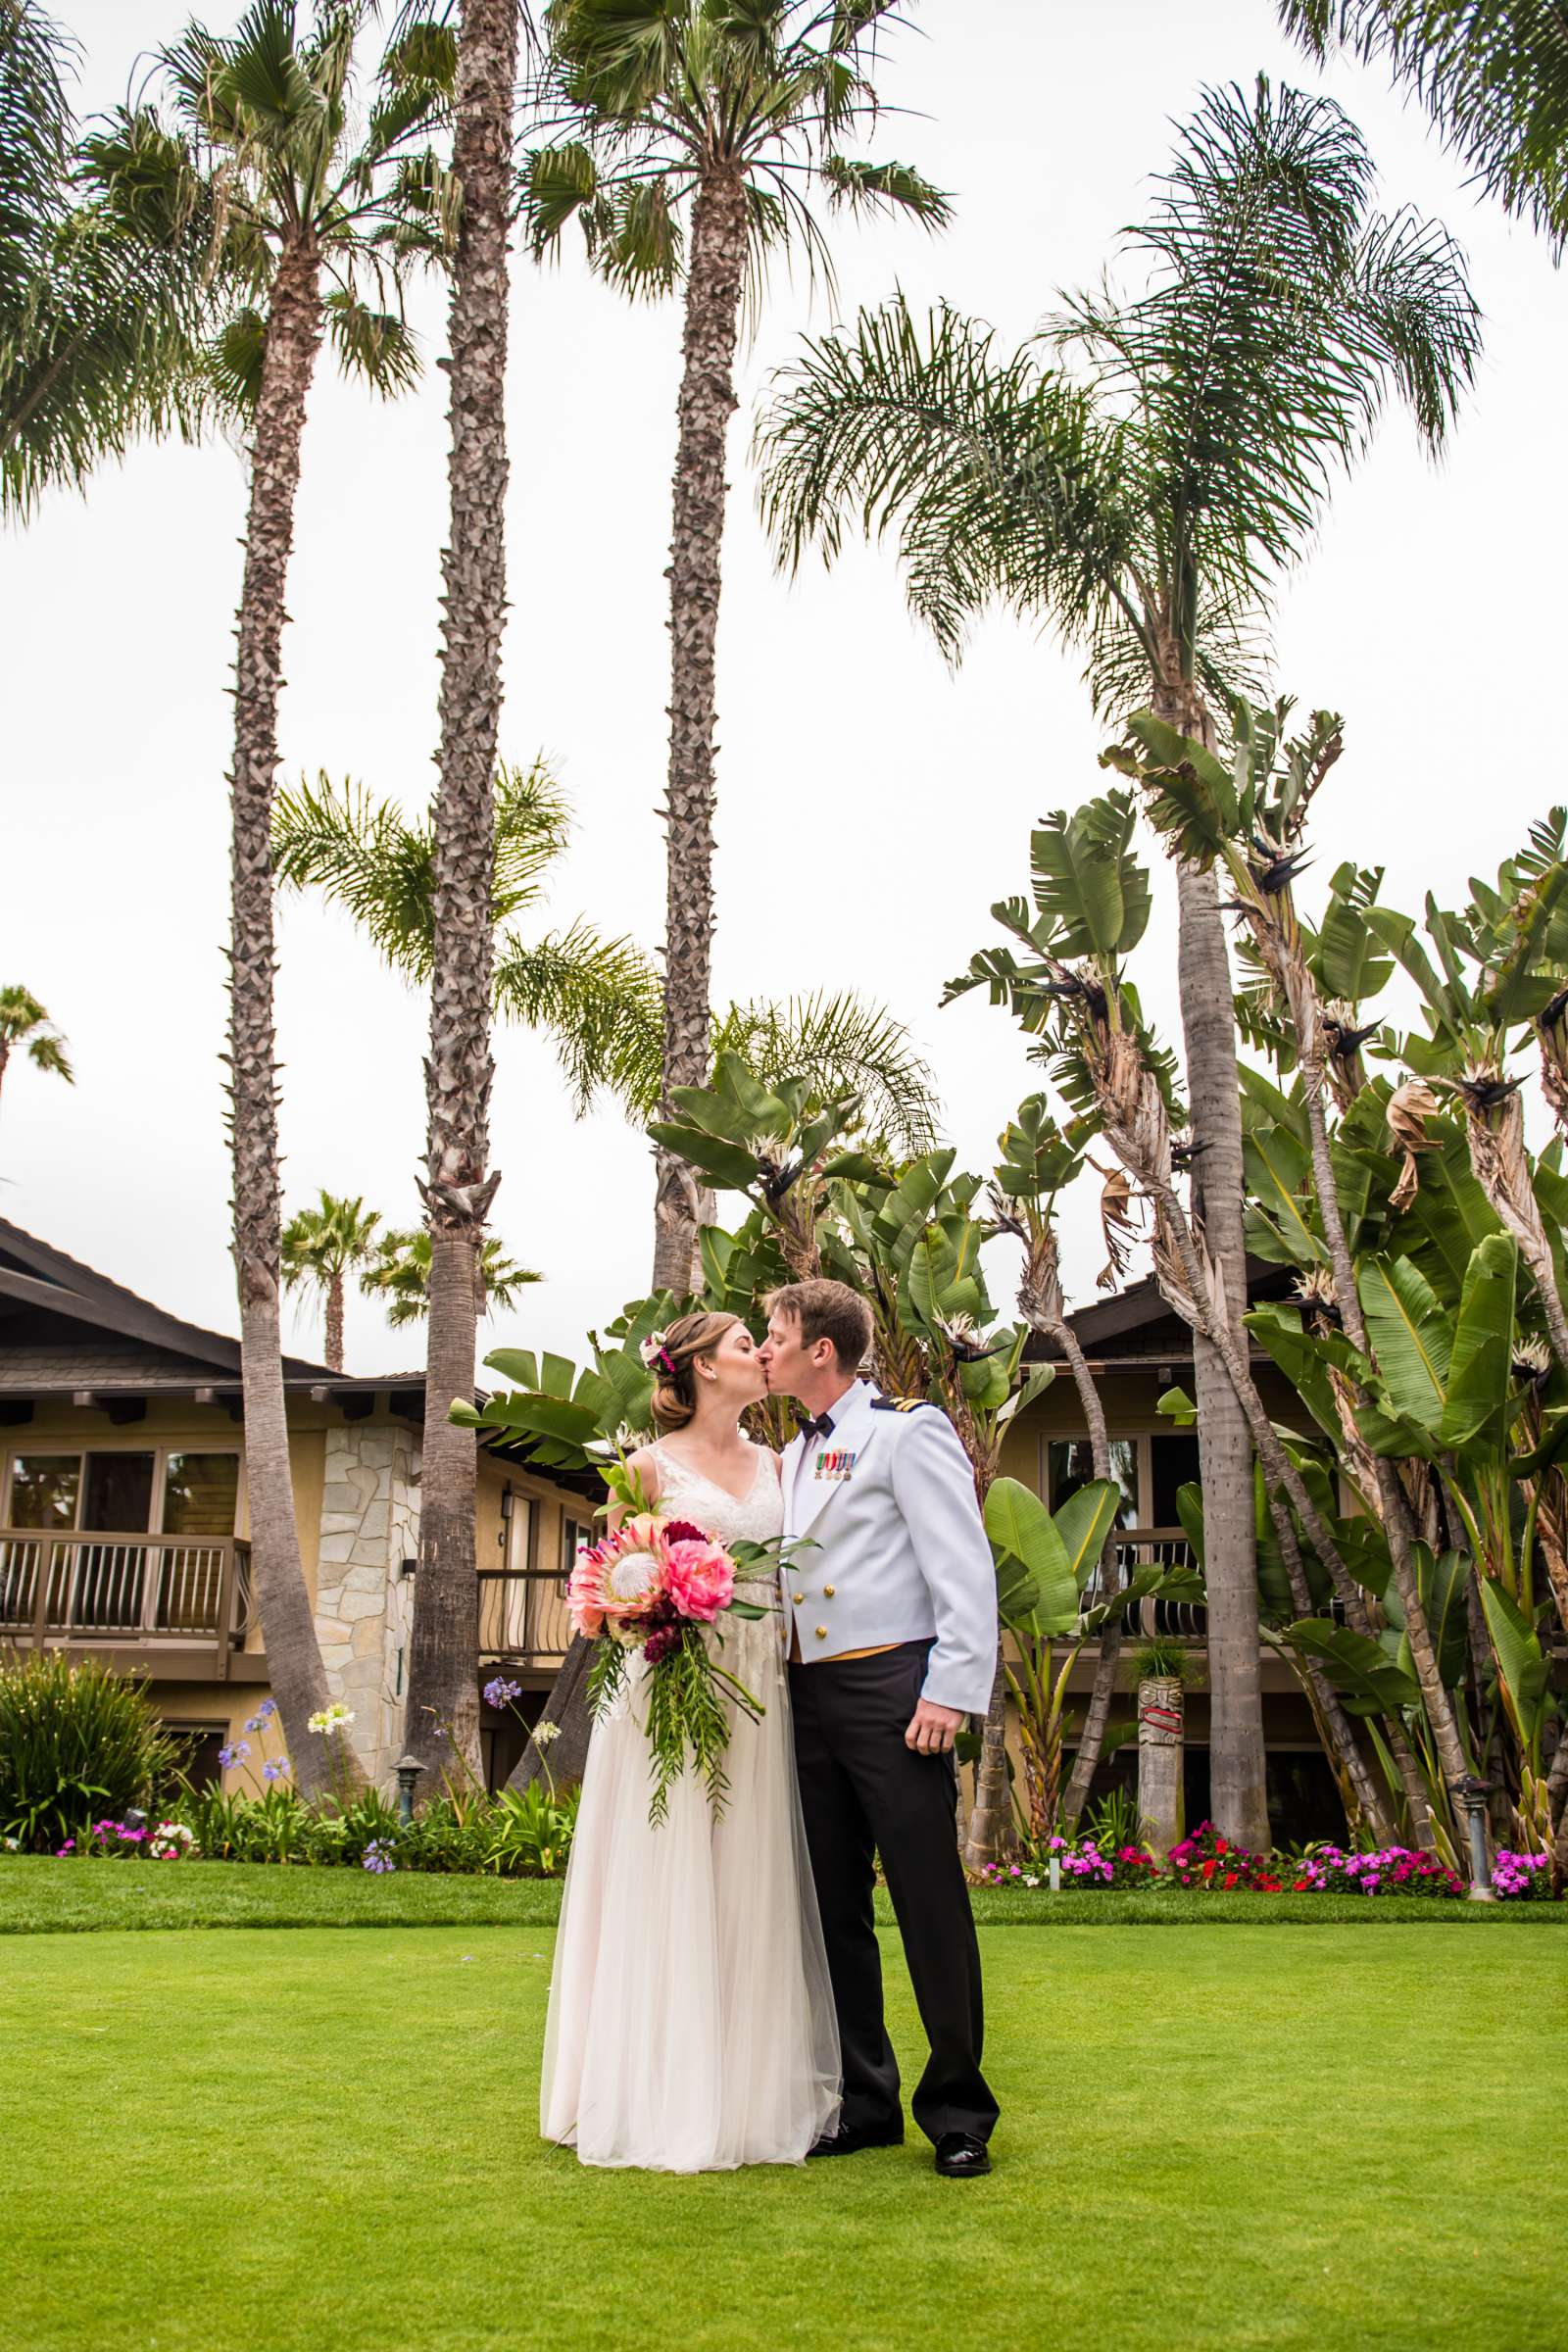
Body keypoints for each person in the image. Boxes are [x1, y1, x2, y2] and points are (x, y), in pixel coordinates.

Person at [539, 1308, 841, 2172]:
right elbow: (603, 1589)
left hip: (758, 1686)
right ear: (704, 1367)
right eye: (747, 1344)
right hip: (665, 1682)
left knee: (748, 1874)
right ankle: (651, 2087)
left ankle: (744, 2092)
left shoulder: (780, 1463)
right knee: (666, 1866)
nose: (762, 1353)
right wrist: (654, 1607)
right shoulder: (644, 1468)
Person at [758, 1278, 1000, 2180]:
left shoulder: (907, 1430)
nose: (765, 1348)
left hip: (896, 1688)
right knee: (834, 1910)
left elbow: (964, 1569)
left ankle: (959, 2111)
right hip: (806, 1698)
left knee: (926, 1897)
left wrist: (948, 1690)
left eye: (775, 1335)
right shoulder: (782, 1459)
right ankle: (867, 2102)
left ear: (823, 1348)